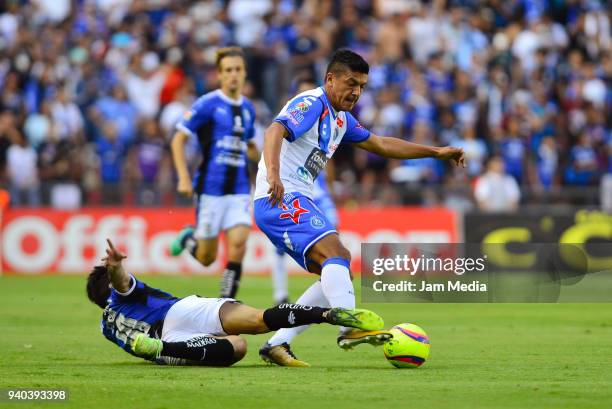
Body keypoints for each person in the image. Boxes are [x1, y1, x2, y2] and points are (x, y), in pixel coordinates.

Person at [254, 49, 465, 366]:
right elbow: (275, 130)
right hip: (279, 196)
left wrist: (436, 152)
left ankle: (278, 343)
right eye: (351, 82)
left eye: (362, 86)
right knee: (336, 255)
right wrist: (272, 173)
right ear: (330, 79)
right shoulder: (311, 103)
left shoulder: (341, 119)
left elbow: (381, 144)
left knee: (333, 273)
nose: (356, 92)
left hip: (298, 198)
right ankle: (348, 327)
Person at [87, 239, 385, 367]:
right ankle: (328, 314)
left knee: (238, 347)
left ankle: (329, 314)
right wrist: (114, 267)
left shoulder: (106, 327)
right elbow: (123, 282)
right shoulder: (119, 293)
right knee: (256, 319)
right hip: (177, 314)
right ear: (109, 289)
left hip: (168, 345)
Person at [169, 47, 259, 299]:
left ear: (244, 74)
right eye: (228, 70)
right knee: (207, 259)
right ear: (220, 75)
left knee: (239, 243)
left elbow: (249, 145)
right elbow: (178, 139)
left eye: (238, 70)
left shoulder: (249, 109)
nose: (233, 75)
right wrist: (184, 177)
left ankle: (226, 304)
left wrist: (266, 165)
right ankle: (189, 237)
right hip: (210, 189)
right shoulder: (207, 104)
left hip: (240, 188)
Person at [271, 78, 340, 305]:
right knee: (281, 250)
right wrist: (273, 176)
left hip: (317, 192)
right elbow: (274, 135)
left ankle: (332, 290)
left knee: (335, 246)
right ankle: (281, 294)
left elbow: (324, 160)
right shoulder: (296, 115)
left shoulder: (330, 120)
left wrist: (329, 188)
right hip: (292, 191)